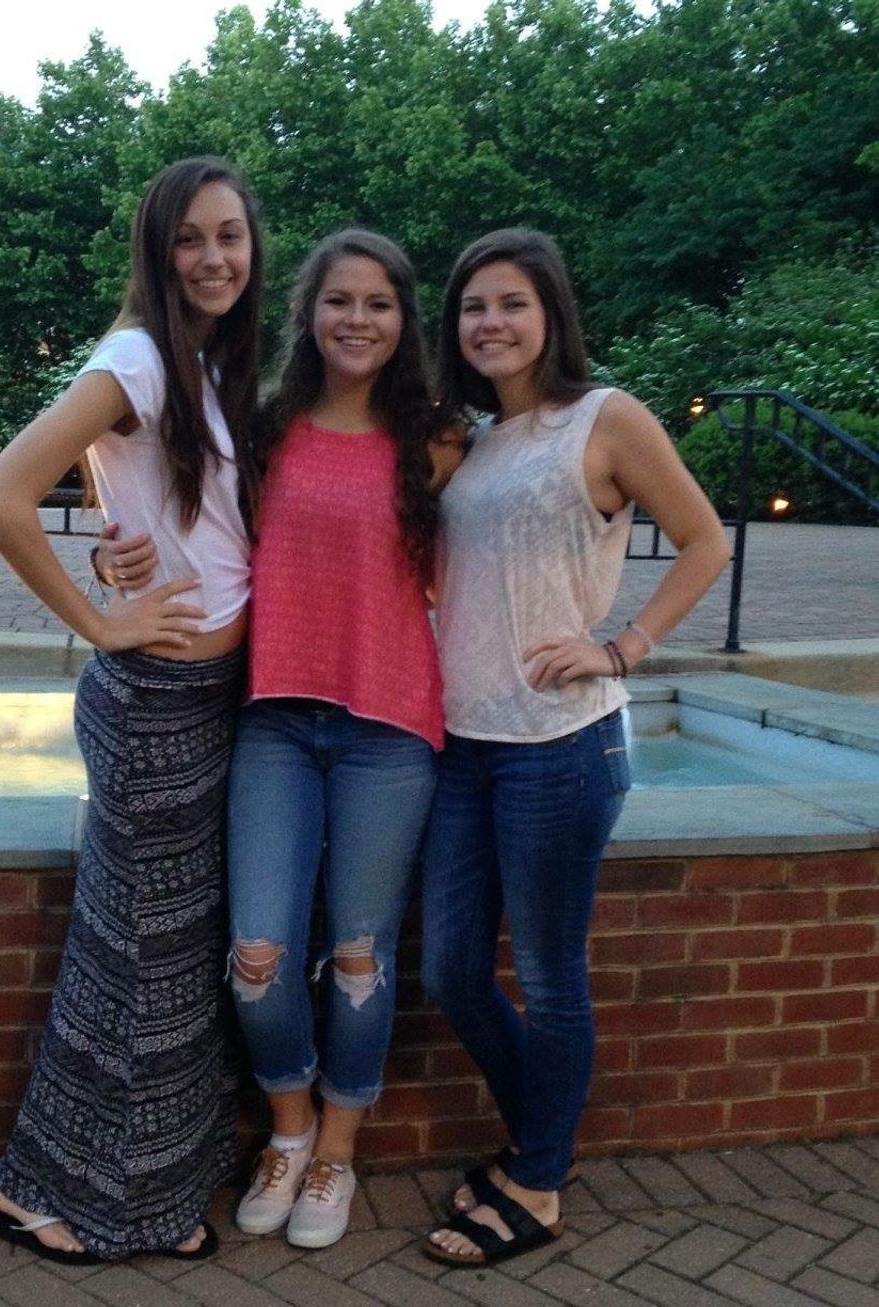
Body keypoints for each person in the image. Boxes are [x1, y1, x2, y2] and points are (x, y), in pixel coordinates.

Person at [97, 228, 461, 1249]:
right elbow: (168, 509)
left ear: (403, 320)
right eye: (338, 300)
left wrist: (610, 639)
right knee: (256, 953)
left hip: (390, 729)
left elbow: (507, 544)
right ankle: (288, 1130)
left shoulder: (439, 439)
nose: (357, 319)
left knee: (357, 955)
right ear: (308, 314)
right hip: (273, 722)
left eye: (378, 303)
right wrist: (115, 557)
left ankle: (337, 1152)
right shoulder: (264, 426)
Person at [0, 156, 263, 1263]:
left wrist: (118, 547)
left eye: (230, 235)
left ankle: (151, 1189)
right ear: (157, 248)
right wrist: (100, 619)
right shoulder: (137, 356)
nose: (213, 257)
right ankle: (33, 1187)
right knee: (135, 959)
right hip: (156, 703)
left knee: (168, 957)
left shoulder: (203, 362)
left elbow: (143, 501)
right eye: (190, 237)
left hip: (207, 696)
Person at [420, 228, 730, 1267]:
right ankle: (540, 1143)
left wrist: (622, 646)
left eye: (512, 302)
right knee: (451, 970)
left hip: (559, 744)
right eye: (473, 306)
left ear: (550, 312)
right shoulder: (471, 439)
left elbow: (705, 539)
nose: (490, 322)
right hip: (462, 742)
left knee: (550, 976)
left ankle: (539, 1181)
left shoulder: (604, 418)